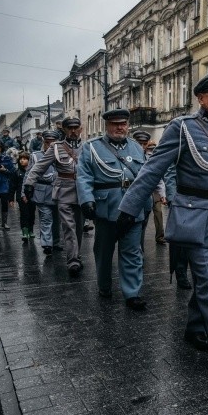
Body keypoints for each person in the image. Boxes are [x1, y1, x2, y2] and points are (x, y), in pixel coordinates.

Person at [117, 71, 208, 370]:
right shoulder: (183, 128)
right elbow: (154, 169)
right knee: (207, 283)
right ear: (201, 98)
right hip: (195, 217)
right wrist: (128, 209)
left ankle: (194, 329)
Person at [77, 109, 150, 310]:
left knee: (132, 252)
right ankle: (104, 286)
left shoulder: (136, 148)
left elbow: (144, 179)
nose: (120, 127)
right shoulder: (91, 148)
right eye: (115, 124)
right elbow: (83, 176)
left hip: (132, 208)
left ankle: (132, 293)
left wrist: (147, 205)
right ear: (106, 125)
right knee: (103, 252)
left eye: (123, 123)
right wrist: (86, 200)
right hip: (106, 208)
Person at [25, 118, 85, 276]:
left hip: (83, 191)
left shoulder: (88, 147)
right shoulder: (56, 148)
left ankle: (76, 255)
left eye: (76, 127)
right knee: (68, 226)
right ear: (64, 130)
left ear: (81, 129)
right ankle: (72, 260)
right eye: (69, 128)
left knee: (79, 226)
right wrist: (29, 183)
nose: (73, 131)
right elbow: (40, 166)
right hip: (63, 190)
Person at [25, 130, 62, 255]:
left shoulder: (62, 154)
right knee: (46, 218)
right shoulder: (35, 156)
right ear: (43, 142)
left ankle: (56, 242)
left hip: (59, 191)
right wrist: (24, 192)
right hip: (42, 191)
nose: (50, 145)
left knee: (57, 219)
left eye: (53, 142)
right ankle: (47, 244)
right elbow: (28, 174)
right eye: (47, 142)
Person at [12, 152, 36, 241]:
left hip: (32, 196)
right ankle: (24, 231)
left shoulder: (33, 171)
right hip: (20, 197)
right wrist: (11, 199)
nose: (22, 160)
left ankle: (31, 230)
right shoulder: (17, 172)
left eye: (25, 159)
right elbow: (13, 186)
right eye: (21, 159)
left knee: (32, 213)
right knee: (24, 214)